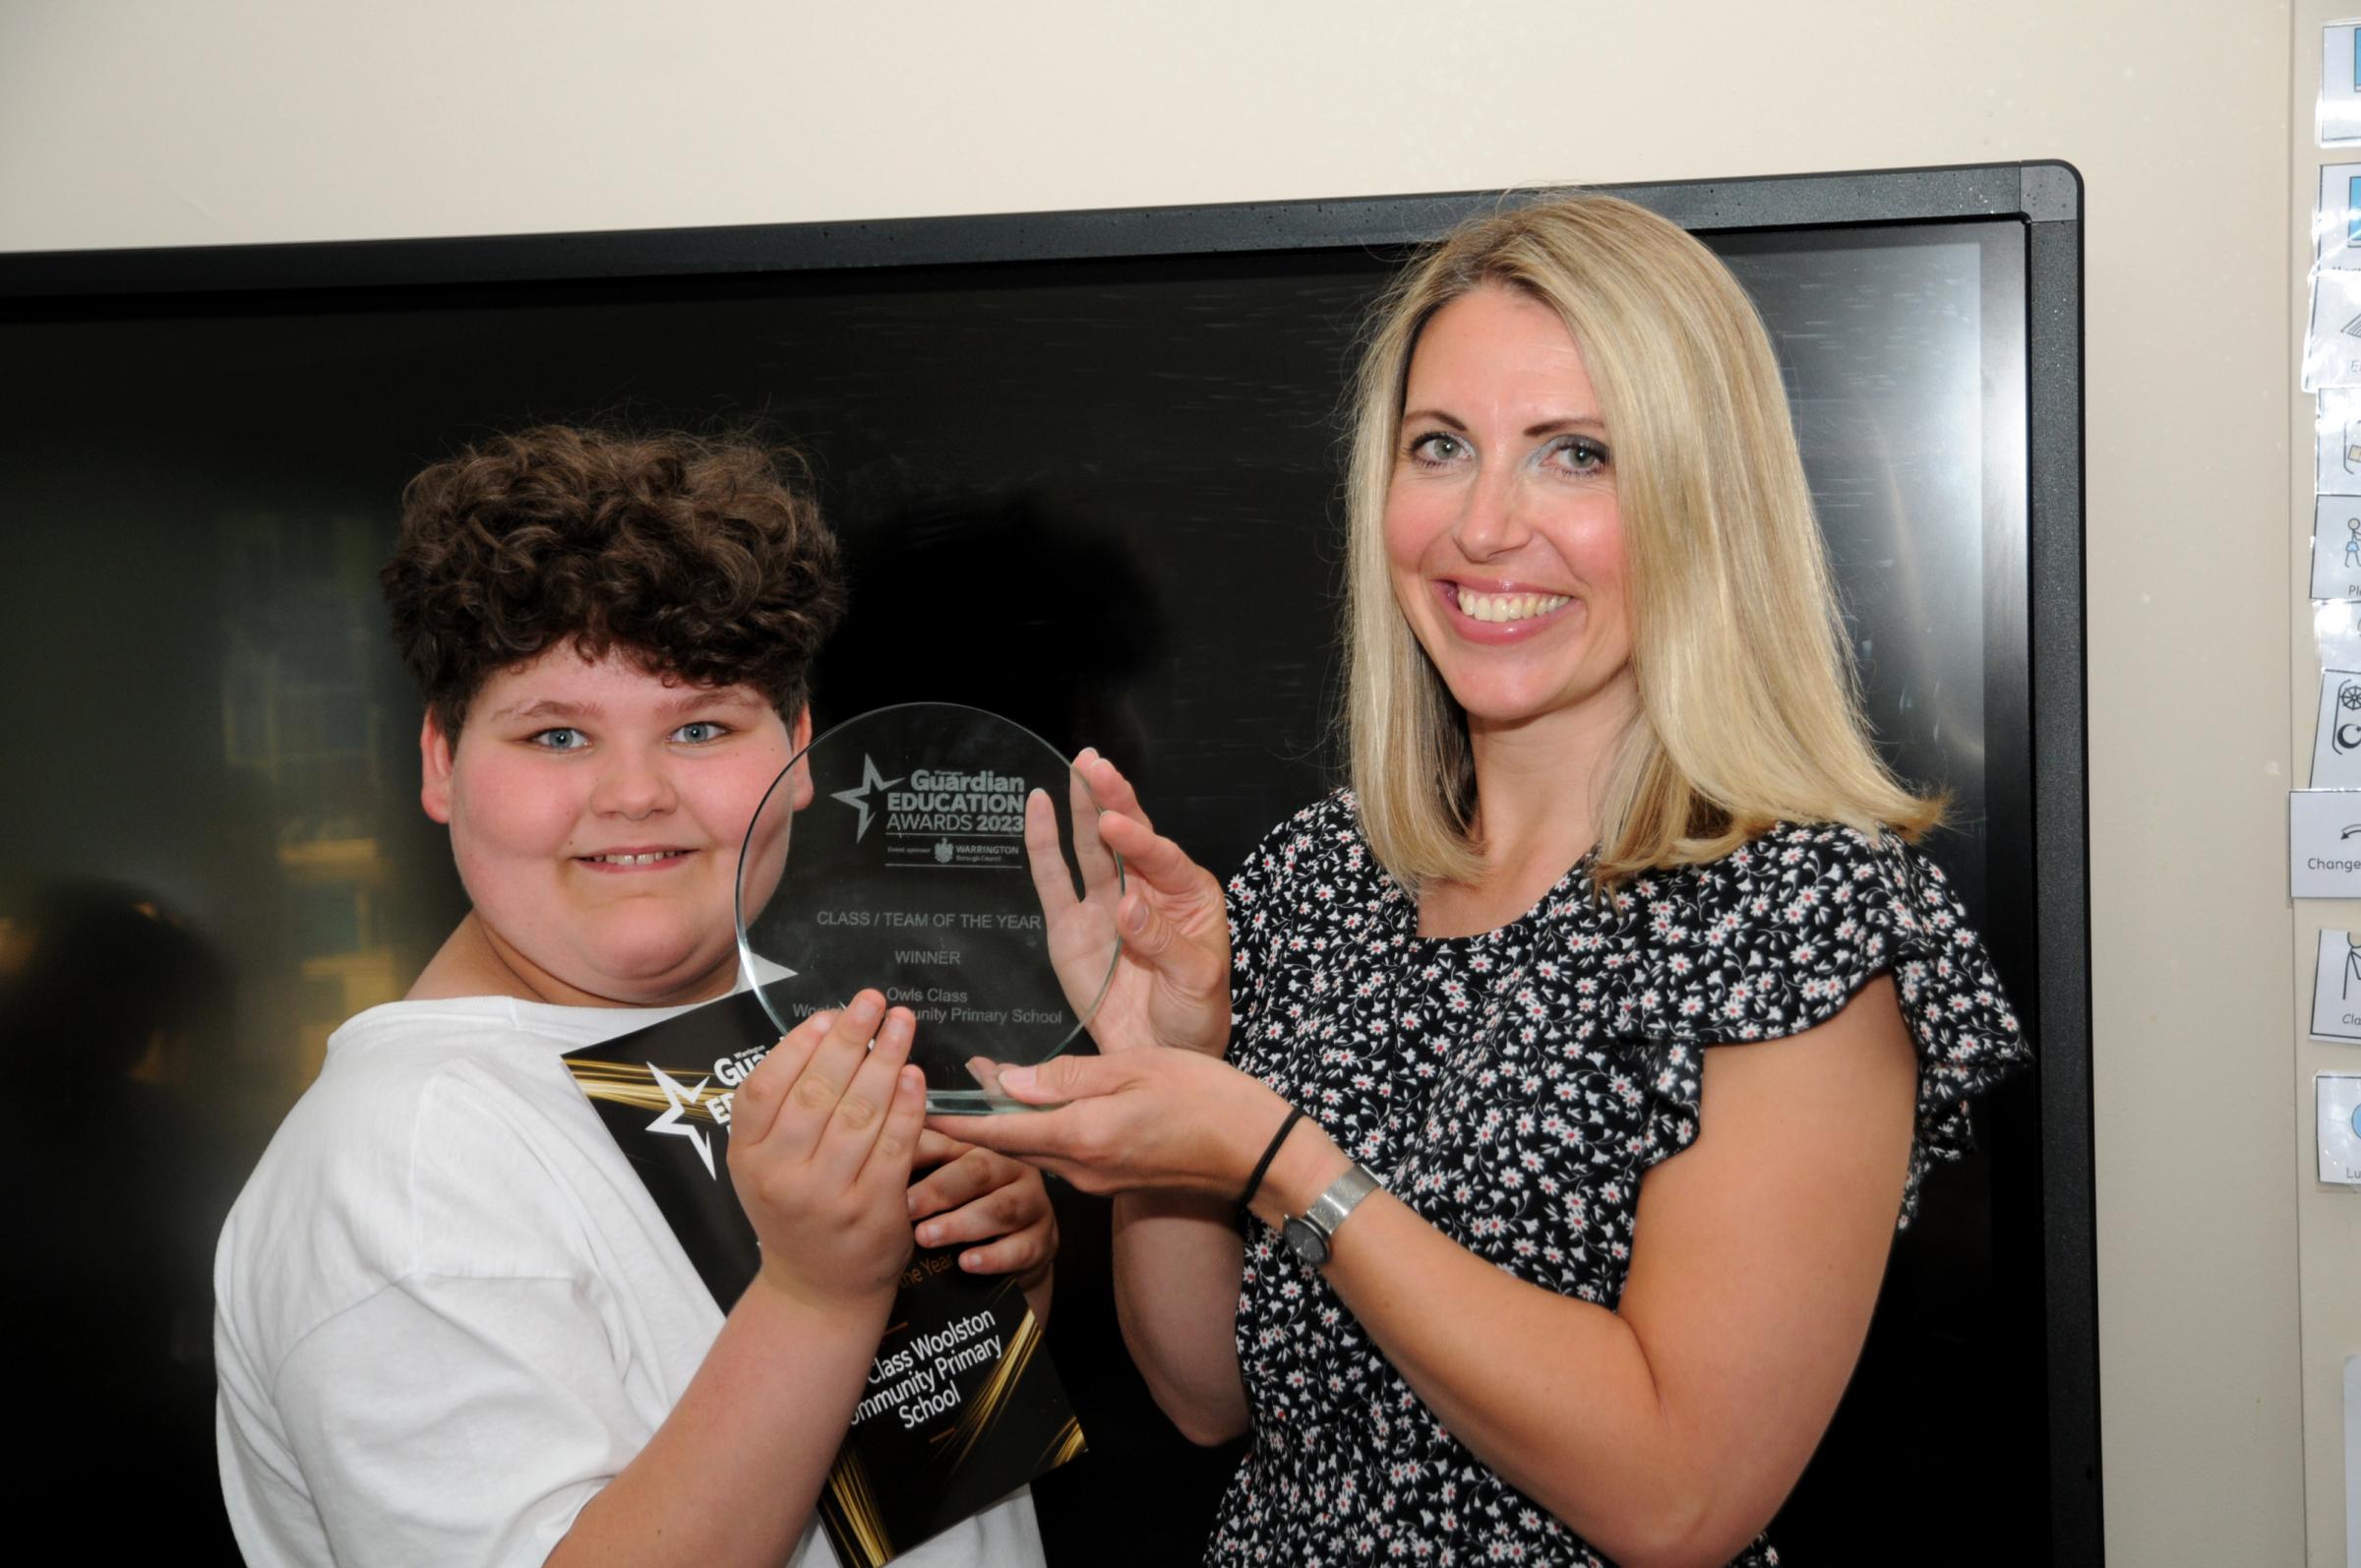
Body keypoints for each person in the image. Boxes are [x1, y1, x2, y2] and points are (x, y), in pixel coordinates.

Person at [953, 195, 2030, 1568]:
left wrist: (1283, 1164)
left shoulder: (1802, 916)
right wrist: (1173, 1070)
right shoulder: (1317, 875)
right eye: (1441, 448)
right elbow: (1205, 1393)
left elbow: (1680, 1499)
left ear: (1701, 495)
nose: (1485, 524)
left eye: (1576, 454)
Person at [214, 427, 1056, 1568]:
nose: (633, 793)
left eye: (702, 726)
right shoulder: (406, 1169)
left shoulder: (807, 1027)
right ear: (439, 762)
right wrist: (818, 1291)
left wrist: (984, 1272)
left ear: (801, 747)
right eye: (556, 733)